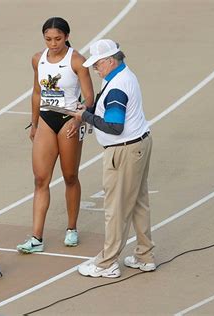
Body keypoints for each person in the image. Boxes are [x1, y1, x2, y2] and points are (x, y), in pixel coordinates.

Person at [72, 39, 156, 277]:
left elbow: (114, 126)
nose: (95, 69)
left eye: (97, 64)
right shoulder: (123, 75)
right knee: (139, 203)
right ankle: (144, 255)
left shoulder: (117, 87)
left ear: (110, 61)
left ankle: (107, 263)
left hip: (123, 151)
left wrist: (85, 118)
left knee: (115, 208)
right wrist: (88, 111)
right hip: (139, 144)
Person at [17, 17, 94, 253]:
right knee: (41, 179)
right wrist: (34, 123)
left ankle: (71, 228)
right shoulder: (37, 59)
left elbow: (89, 97)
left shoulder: (78, 61)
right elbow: (37, 92)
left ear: (67, 37)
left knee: (70, 176)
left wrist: (77, 117)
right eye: (48, 39)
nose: (53, 44)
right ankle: (36, 237)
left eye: (58, 39)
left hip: (68, 120)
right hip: (46, 120)